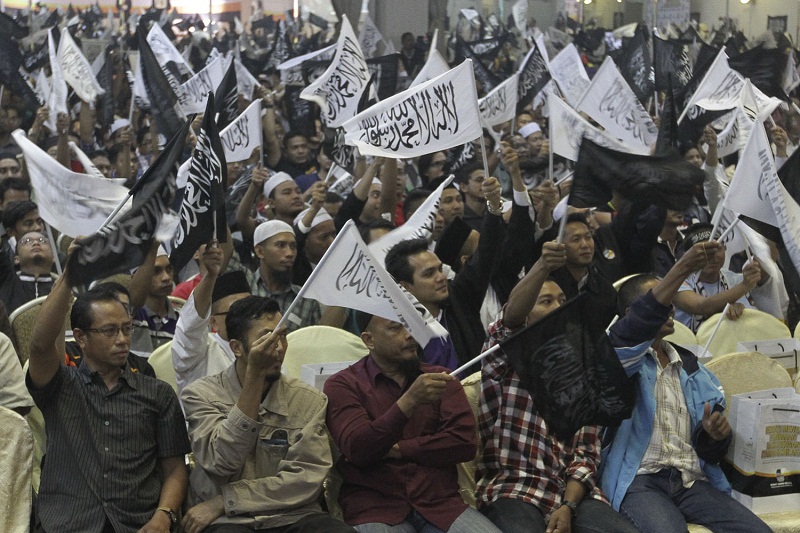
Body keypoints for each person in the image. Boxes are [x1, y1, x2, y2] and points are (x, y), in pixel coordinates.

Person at [602, 246, 772, 533]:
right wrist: (681, 267)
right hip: (639, 480)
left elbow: (710, 450)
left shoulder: (691, 366)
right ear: (634, 313)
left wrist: (714, 434)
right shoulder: (617, 359)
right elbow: (631, 333)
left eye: (670, 299)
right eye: (660, 299)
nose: (669, 306)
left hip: (690, 479)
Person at [476, 242, 639, 533]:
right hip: (515, 489)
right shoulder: (503, 360)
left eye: (562, 300)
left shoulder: (582, 367)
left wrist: (568, 506)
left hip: (572, 495)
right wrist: (543, 266)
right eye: (545, 301)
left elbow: (587, 454)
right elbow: (509, 321)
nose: (558, 308)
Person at [26, 255, 190, 533]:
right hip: (67, 523)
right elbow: (40, 345)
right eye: (110, 331)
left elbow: (175, 468)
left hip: (138, 523)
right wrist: (69, 275)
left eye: (126, 329)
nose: (123, 339)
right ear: (81, 338)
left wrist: (163, 515)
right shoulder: (60, 386)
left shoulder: (157, 394)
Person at [180, 296, 355, 533]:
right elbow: (220, 462)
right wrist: (255, 375)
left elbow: (304, 480)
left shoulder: (308, 400)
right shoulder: (201, 395)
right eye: (267, 338)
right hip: (231, 522)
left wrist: (226, 500)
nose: (279, 347)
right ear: (237, 347)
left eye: (282, 335)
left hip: (292, 516)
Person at [324, 312, 501, 533]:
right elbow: (358, 449)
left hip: (439, 504)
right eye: (395, 328)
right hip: (376, 507)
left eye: (409, 326)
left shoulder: (441, 377)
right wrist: (409, 402)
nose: (409, 335)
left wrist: (398, 449)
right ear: (369, 340)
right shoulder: (343, 384)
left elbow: (464, 444)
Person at [385, 177, 505, 371]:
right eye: (429, 274)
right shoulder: (398, 329)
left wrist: (493, 207)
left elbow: (485, 254)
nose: (441, 277)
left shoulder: (460, 298)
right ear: (405, 286)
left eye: (440, 269)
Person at [173, 243, 251, 396]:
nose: (245, 317)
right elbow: (191, 324)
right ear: (214, 321)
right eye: (235, 311)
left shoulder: (263, 348)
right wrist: (210, 275)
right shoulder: (198, 351)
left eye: (250, 310)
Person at [673, 224, 770, 332]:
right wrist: (744, 286)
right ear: (688, 255)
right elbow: (702, 307)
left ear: (725, 248)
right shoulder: (678, 282)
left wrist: (741, 313)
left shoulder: (735, 279)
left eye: (717, 249)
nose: (712, 257)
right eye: (704, 251)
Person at [248, 220, 320, 331]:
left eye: (293, 246)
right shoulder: (244, 289)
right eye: (281, 245)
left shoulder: (306, 300)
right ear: (260, 251)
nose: (289, 253)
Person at [0, 230, 55, 313]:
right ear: (16, 259)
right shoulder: (7, 280)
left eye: (42, 241)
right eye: (27, 241)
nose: (36, 243)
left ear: (54, 257)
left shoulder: (63, 288)